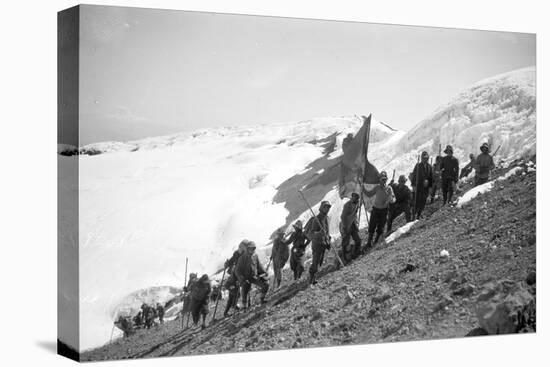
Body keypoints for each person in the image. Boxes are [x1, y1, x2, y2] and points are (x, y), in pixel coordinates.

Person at [363, 171, 396, 248]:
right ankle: (369, 242)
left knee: (381, 227)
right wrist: (363, 189)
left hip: (384, 210)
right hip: (375, 209)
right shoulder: (377, 187)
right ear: (380, 180)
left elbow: (393, 199)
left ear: (386, 179)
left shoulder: (389, 188)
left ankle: (375, 242)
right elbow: (369, 194)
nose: (383, 181)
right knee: (372, 226)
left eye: (385, 179)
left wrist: (390, 199)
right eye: (382, 179)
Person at [235, 241, 269, 308]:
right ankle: (244, 306)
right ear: (247, 248)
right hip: (245, 278)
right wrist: (242, 279)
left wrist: (264, 272)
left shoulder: (255, 256)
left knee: (265, 285)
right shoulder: (242, 258)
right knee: (245, 291)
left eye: (253, 248)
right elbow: (237, 271)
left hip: (254, 276)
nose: (252, 250)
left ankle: (261, 299)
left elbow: (259, 265)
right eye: (251, 248)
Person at [305, 201, 332, 285]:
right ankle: (311, 279)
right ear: (321, 208)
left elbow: (327, 231)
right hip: (317, 244)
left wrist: (328, 239)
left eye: (328, 207)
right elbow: (312, 232)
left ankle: (313, 277)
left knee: (319, 260)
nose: (326, 209)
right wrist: (319, 233)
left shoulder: (326, 218)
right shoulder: (317, 219)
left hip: (323, 243)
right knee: (316, 261)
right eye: (325, 207)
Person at [222, 240, 248, 317]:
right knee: (235, 293)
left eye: (242, 247)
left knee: (236, 293)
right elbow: (232, 260)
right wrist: (227, 264)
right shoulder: (237, 253)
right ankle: (232, 307)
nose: (240, 248)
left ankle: (231, 308)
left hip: (240, 274)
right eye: (240, 246)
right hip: (235, 274)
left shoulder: (246, 255)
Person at [339, 192, 361, 264]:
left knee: (357, 240)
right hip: (346, 225)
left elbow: (354, 214)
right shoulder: (347, 205)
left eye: (357, 197)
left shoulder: (357, 204)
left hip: (353, 224)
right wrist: (345, 227)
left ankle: (356, 254)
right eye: (354, 197)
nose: (355, 198)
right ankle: (345, 259)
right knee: (345, 243)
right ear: (352, 197)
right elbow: (343, 217)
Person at [411, 151, 433, 218]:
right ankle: (414, 215)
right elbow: (414, 176)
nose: (425, 159)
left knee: (423, 201)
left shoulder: (430, 167)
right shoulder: (418, 166)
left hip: (425, 188)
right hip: (418, 187)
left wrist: (430, 186)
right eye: (424, 158)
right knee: (416, 201)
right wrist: (413, 185)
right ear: (421, 158)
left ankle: (419, 215)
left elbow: (431, 177)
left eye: (426, 158)